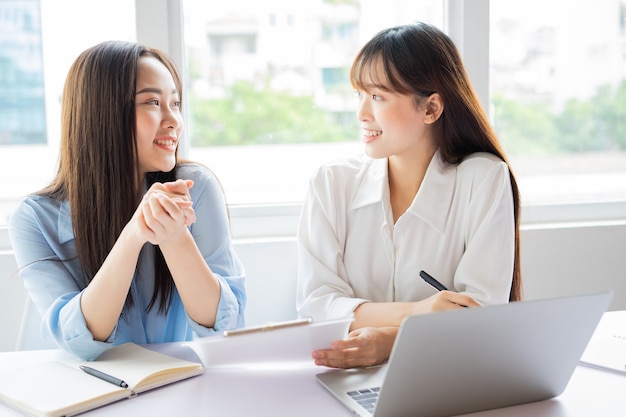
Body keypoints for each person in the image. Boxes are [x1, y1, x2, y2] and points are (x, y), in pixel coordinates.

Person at [296, 22, 522, 369]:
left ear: (431, 109)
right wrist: (416, 313)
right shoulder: (331, 183)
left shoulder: (485, 178)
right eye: (360, 95)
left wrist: (391, 340)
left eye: (377, 97)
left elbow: (479, 315)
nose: (361, 114)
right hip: (344, 377)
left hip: (447, 374)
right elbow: (316, 305)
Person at [8, 41, 246, 361]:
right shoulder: (34, 219)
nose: (174, 119)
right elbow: (78, 339)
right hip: (88, 393)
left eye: (174, 103)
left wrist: (175, 236)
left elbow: (227, 326)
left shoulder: (196, 188)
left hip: (178, 386)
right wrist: (134, 235)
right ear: (102, 112)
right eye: (152, 101)